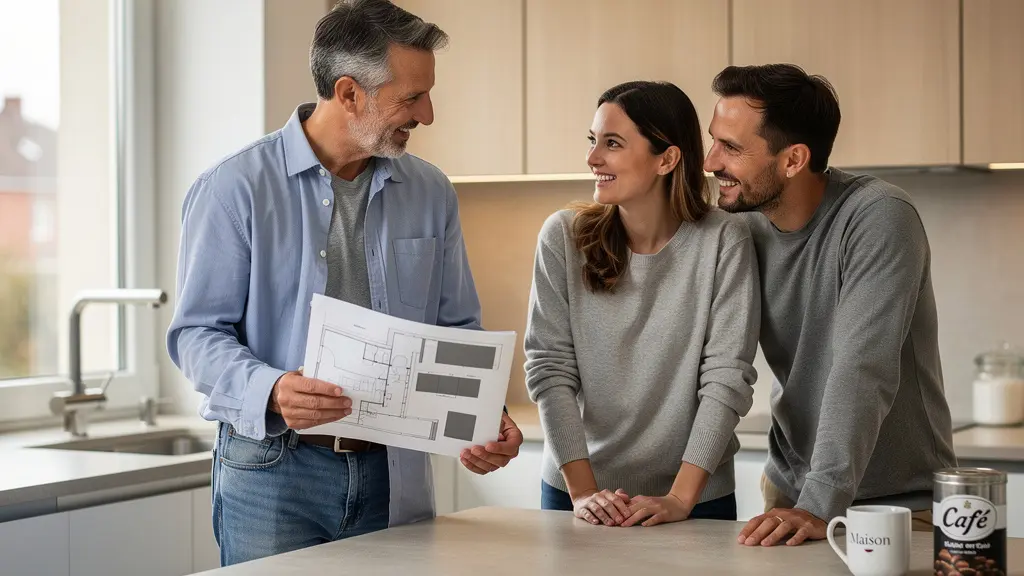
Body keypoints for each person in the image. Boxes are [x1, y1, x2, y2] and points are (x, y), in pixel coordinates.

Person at [166, 0, 523, 565]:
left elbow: (455, 328)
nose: (427, 114)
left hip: (394, 470)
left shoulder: (430, 192)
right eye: (411, 97)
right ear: (350, 92)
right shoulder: (235, 189)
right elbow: (195, 335)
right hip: (273, 472)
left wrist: (484, 417)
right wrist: (273, 388)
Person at [702, 63, 957, 547]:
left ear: (794, 159)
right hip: (791, 499)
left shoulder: (879, 216)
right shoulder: (740, 225)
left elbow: (862, 367)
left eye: (731, 147)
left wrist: (819, 503)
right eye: (713, 140)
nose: (711, 161)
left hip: (899, 506)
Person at [524, 80, 761, 527]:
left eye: (612, 143)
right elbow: (549, 369)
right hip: (577, 492)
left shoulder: (724, 239)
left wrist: (679, 499)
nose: (593, 158)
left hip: (696, 500)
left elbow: (727, 378)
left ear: (667, 158)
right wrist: (584, 494)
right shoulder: (562, 236)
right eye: (593, 141)